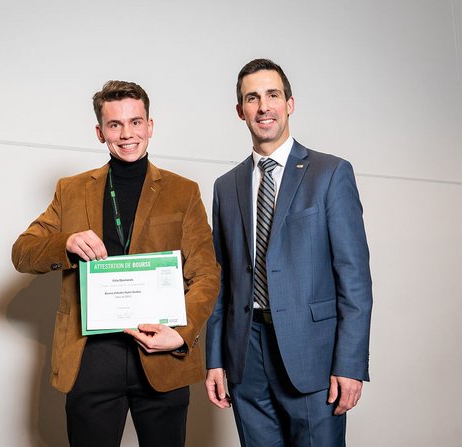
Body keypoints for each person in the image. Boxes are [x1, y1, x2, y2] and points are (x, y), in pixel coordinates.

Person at [12, 80, 220, 447]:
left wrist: (181, 333)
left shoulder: (183, 191)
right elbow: (23, 253)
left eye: (136, 122)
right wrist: (66, 242)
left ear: (150, 126)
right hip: (91, 356)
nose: (127, 134)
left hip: (160, 351)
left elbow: (206, 274)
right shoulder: (71, 189)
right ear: (100, 132)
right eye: (115, 125)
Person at [205, 58, 373, 446]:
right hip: (245, 356)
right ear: (240, 110)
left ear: (289, 104)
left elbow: (354, 278)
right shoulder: (225, 186)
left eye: (272, 95)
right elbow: (221, 281)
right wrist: (215, 358)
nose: (263, 106)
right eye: (252, 98)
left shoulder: (330, 173)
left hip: (312, 355)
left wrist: (349, 364)